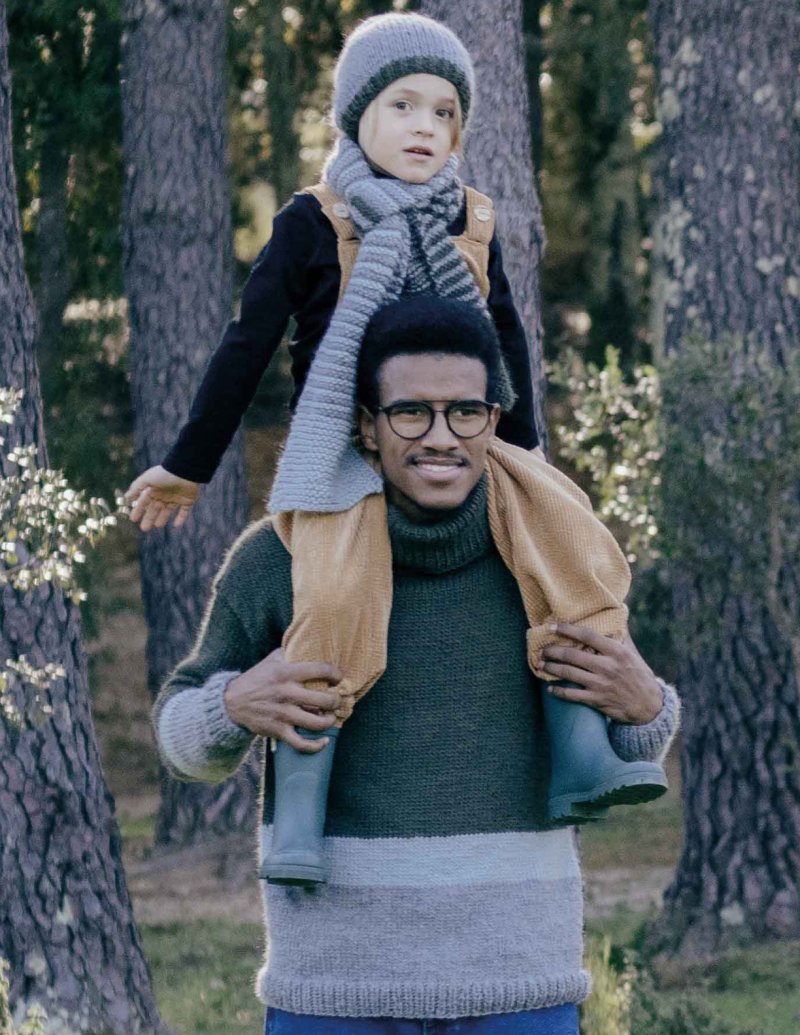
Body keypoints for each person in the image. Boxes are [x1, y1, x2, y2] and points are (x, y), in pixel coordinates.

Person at [133, 12, 667, 885]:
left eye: (444, 113)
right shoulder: (315, 221)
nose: (426, 127)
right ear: (357, 118)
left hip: (469, 437)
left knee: (575, 555)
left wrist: (525, 464)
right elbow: (247, 343)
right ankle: (302, 811)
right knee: (333, 599)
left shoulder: (471, 219)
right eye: (403, 106)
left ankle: (582, 754)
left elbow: (506, 342)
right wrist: (189, 465)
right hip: (348, 451)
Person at [154, 297, 680, 1034]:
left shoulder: (553, 549)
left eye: (464, 412)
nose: (441, 436)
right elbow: (179, 738)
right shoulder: (283, 555)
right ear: (367, 425)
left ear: (493, 420)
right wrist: (232, 704)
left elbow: (631, 739)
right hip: (333, 989)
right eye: (411, 413)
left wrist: (648, 704)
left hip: (520, 985)